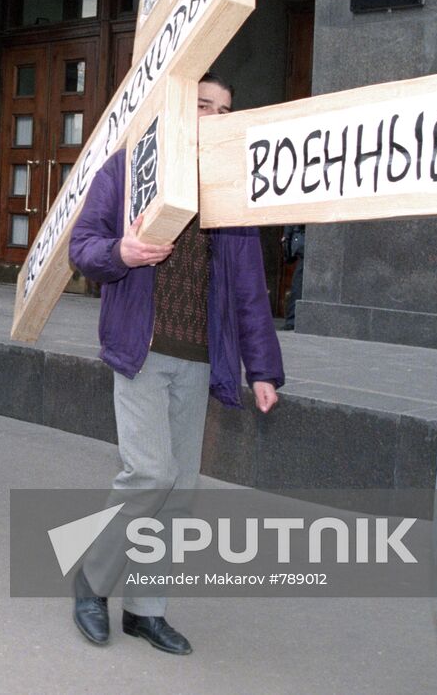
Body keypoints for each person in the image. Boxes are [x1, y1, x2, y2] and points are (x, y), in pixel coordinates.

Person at [66, 73, 284, 655]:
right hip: (140, 350)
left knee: (181, 490)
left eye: (225, 108)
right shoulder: (129, 167)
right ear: (179, 110)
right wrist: (121, 252)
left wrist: (262, 369)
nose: (214, 117)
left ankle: (146, 609)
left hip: (200, 359)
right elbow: (82, 245)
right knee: (149, 475)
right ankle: (91, 577)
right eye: (204, 105)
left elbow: (249, 289)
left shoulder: (229, 186)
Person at [281, 224, 305, 330]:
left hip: (304, 244)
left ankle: (292, 320)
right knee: (297, 286)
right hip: (303, 244)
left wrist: (287, 236)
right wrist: (287, 237)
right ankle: (292, 319)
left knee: (297, 286)